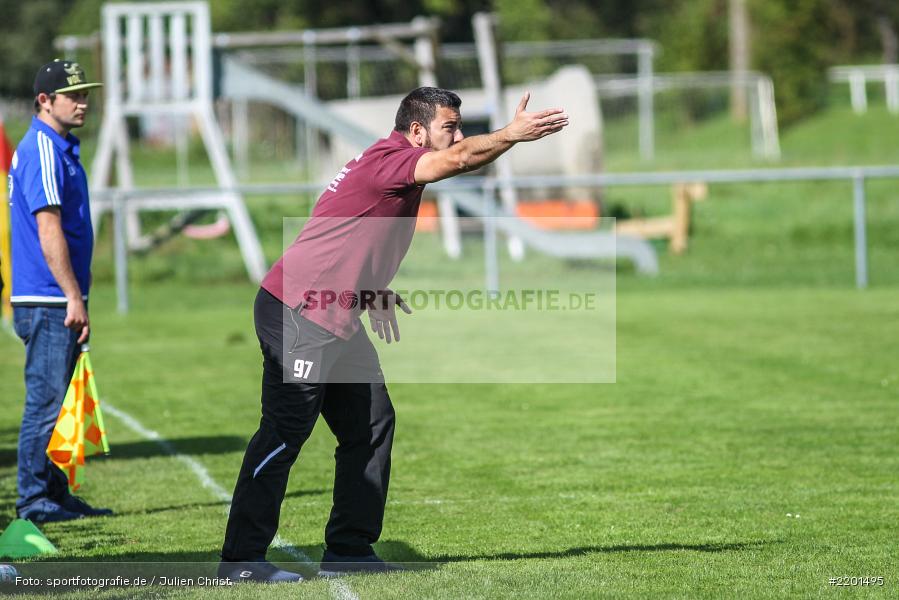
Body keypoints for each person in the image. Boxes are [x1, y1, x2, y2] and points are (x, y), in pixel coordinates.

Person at [219, 87, 568, 582]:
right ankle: (240, 561)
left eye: (458, 126)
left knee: (372, 423)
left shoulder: (391, 163)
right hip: (297, 311)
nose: (458, 136)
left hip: (335, 313)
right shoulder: (393, 158)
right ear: (418, 130)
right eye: (450, 127)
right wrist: (511, 135)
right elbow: (463, 160)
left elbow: (351, 232)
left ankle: (349, 549)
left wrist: (372, 290)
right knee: (284, 433)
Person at [8, 60, 112, 522]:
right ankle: (33, 502)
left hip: (59, 298)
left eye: (85, 93)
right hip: (49, 298)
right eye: (73, 95)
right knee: (46, 405)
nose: (83, 102)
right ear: (44, 101)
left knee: (60, 404)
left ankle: (55, 493)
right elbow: (48, 231)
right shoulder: (43, 149)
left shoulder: (61, 147)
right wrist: (73, 295)